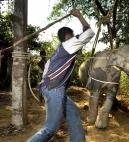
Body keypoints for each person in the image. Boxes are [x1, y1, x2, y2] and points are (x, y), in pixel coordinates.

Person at [27, 9, 95, 142]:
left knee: (72, 110)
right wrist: (79, 15)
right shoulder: (68, 45)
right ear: (68, 36)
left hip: (51, 89)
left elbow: (45, 74)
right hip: (55, 89)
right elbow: (89, 33)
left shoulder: (56, 54)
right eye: (73, 35)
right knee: (51, 128)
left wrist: (44, 91)